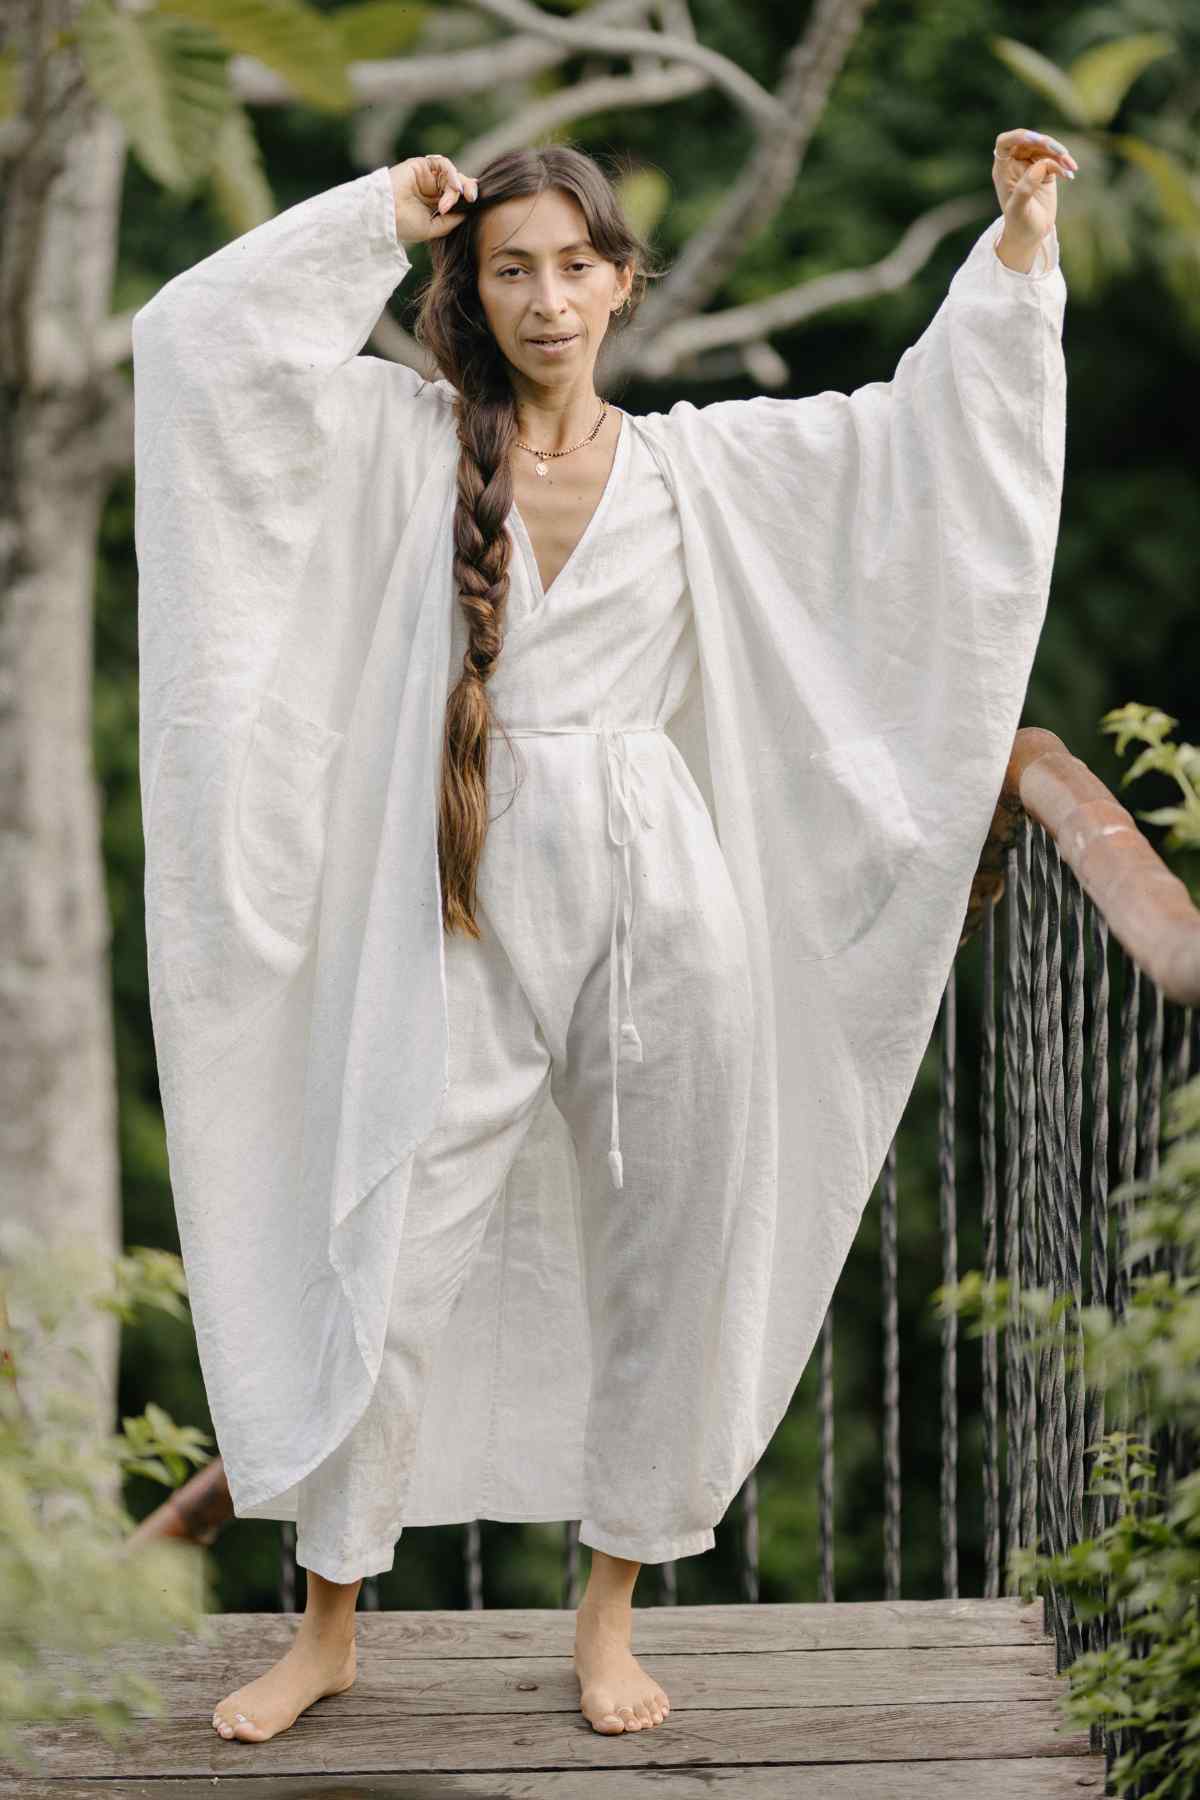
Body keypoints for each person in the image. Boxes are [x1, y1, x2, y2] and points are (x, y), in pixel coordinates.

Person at [130, 131, 1072, 1747]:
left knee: (671, 1240)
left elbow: (924, 448)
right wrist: (375, 218)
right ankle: (330, 1622)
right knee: (391, 1237)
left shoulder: (705, 467)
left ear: (623, 281)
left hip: (665, 895)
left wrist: (1018, 247)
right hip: (462, 887)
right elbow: (197, 352)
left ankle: (609, 1612)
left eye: (575, 265)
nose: (548, 298)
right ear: (473, 293)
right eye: (511, 268)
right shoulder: (406, 445)